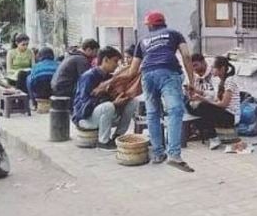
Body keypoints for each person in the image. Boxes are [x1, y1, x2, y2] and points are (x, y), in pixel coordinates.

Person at [127, 11, 195, 171]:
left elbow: (132, 70)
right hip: (168, 73)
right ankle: (174, 155)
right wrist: (192, 81)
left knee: (152, 114)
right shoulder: (174, 34)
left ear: (150, 25)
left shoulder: (142, 40)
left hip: (147, 75)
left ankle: (158, 153)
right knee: (175, 111)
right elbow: (186, 55)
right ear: (163, 23)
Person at [72, 46, 137, 151]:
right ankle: (103, 142)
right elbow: (84, 104)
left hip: (102, 115)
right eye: (115, 61)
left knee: (133, 102)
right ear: (105, 60)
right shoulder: (88, 76)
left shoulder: (109, 77)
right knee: (108, 106)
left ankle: (117, 136)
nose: (117, 65)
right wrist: (113, 103)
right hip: (85, 118)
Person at [187, 56, 240, 150]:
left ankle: (213, 137)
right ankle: (207, 134)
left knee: (203, 106)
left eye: (214, 67)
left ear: (222, 69)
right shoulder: (220, 81)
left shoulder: (230, 81)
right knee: (189, 106)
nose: (211, 69)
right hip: (222, 112)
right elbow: (213, 96)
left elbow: (223, 104)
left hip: (231, 116)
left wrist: (203, 99)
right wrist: (196, 91)